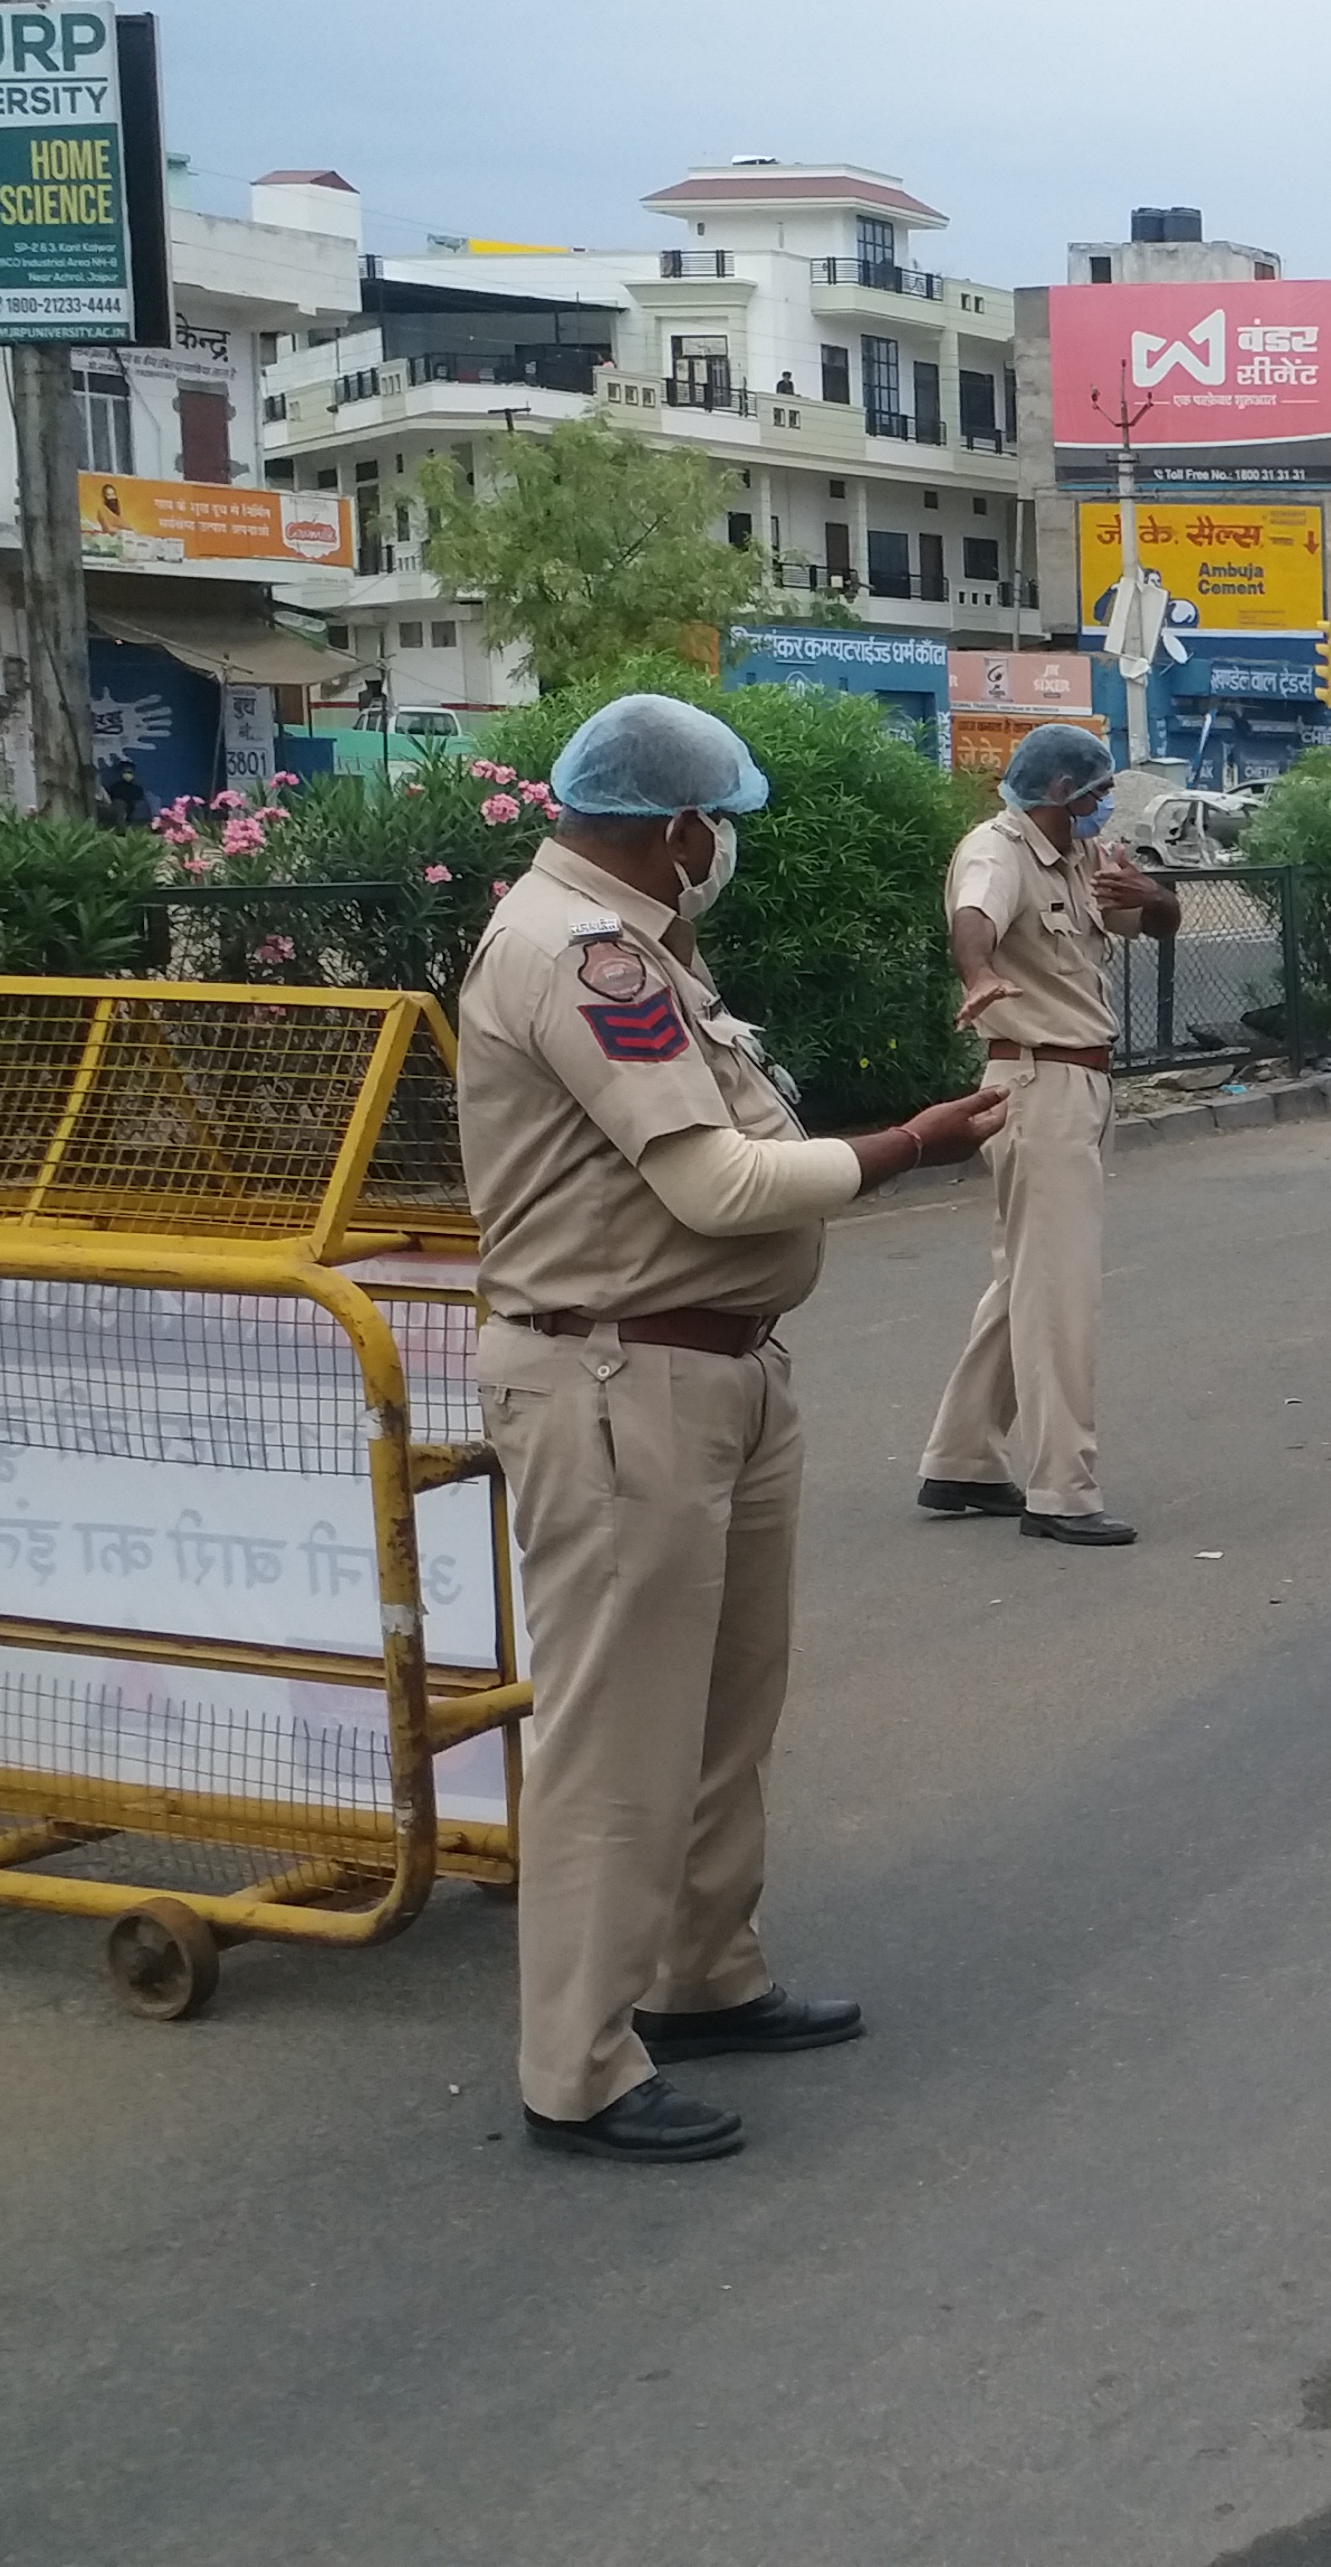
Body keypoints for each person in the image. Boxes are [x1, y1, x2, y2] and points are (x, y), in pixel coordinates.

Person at [457, 693, 1009, 2163]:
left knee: (719, 1716)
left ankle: (705, 1973)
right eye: (721, 825)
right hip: (614, 1380)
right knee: (617, 1741)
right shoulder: (575, 955)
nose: (725, 849)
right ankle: (576, 2065)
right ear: (673, 827)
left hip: (712, 1371)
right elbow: (712, 1187)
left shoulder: (644, 950)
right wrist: (907, 1148)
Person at [916, 722, 1175, 1546]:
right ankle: (1062, 1489)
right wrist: (981, 973)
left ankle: (960, 1460)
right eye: (1098, 793)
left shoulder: (1079, 859)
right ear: (1063, 793)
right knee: (1061, 1295)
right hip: (1037, 1080)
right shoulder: (999, 850)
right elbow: (972, 919)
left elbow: (1154, 924)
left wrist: (1155, 897)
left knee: (1024, 1283)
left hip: (1079, 1082)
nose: (1107, 806)